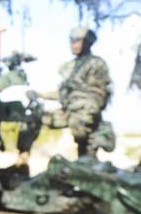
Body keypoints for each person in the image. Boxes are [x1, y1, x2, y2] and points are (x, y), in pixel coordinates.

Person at [39, 27, 114, 159]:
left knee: (86, 149)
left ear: (88, 43)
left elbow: (97, 95)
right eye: (72, 40)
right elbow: (64, 93)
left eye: (78, 41)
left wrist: (79, 108)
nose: (73, 44)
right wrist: (40, 94)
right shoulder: (70, 66)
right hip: (70, 112)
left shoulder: (95, 63)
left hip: (84, 114)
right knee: (38, 118)